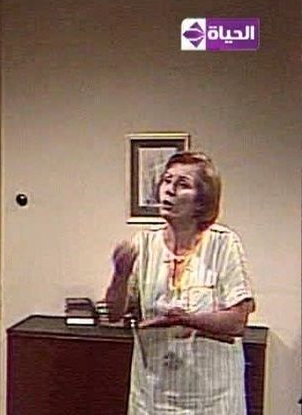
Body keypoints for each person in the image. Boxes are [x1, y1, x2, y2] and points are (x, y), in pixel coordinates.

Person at [105, 151, 255, 414]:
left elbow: (236, 322)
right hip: (152, 398)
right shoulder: (144, 244)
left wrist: (184, 319)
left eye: (182, 184)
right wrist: (119, 275)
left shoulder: (223, 244)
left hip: (212, 401)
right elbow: (115, 313)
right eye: (166, 180)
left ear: (202, 201)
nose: (169, 190)